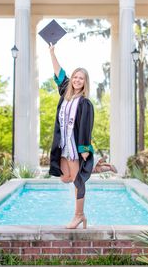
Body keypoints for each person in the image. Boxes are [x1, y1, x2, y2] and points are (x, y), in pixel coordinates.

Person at [48, 44, 94, 229]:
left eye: (80, 78)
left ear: (85, 82)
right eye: (75, 77)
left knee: (77, 180)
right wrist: (52, 53)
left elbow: (86, 127)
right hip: (62, 145)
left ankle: (79, 215)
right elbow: (59, 74)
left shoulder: (85, 103)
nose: (76, 80)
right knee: (65, 177)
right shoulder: (65, 94)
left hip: (75, 147)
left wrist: (84, 149)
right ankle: (97, 168)